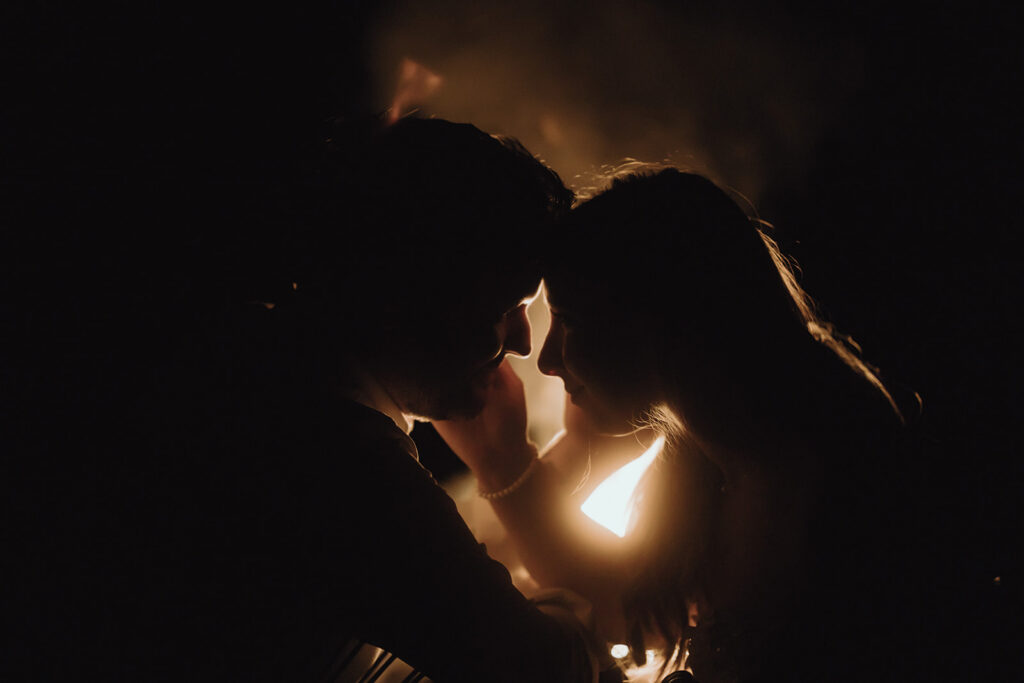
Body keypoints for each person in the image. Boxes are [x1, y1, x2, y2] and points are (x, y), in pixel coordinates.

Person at [56, 116, 617, 682]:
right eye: (504, 306)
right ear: (417, 291)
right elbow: (540, 668)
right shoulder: (341, 461)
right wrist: (567, 612)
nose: (522, 344)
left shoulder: (241, 356)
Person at [434, 168, 943, 682]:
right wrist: (502, 460)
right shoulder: (712, 447)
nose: (546, 359)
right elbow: (631, 601)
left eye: (572, 320)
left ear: (662, 318)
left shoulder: (835, 476)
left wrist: (504, 464)